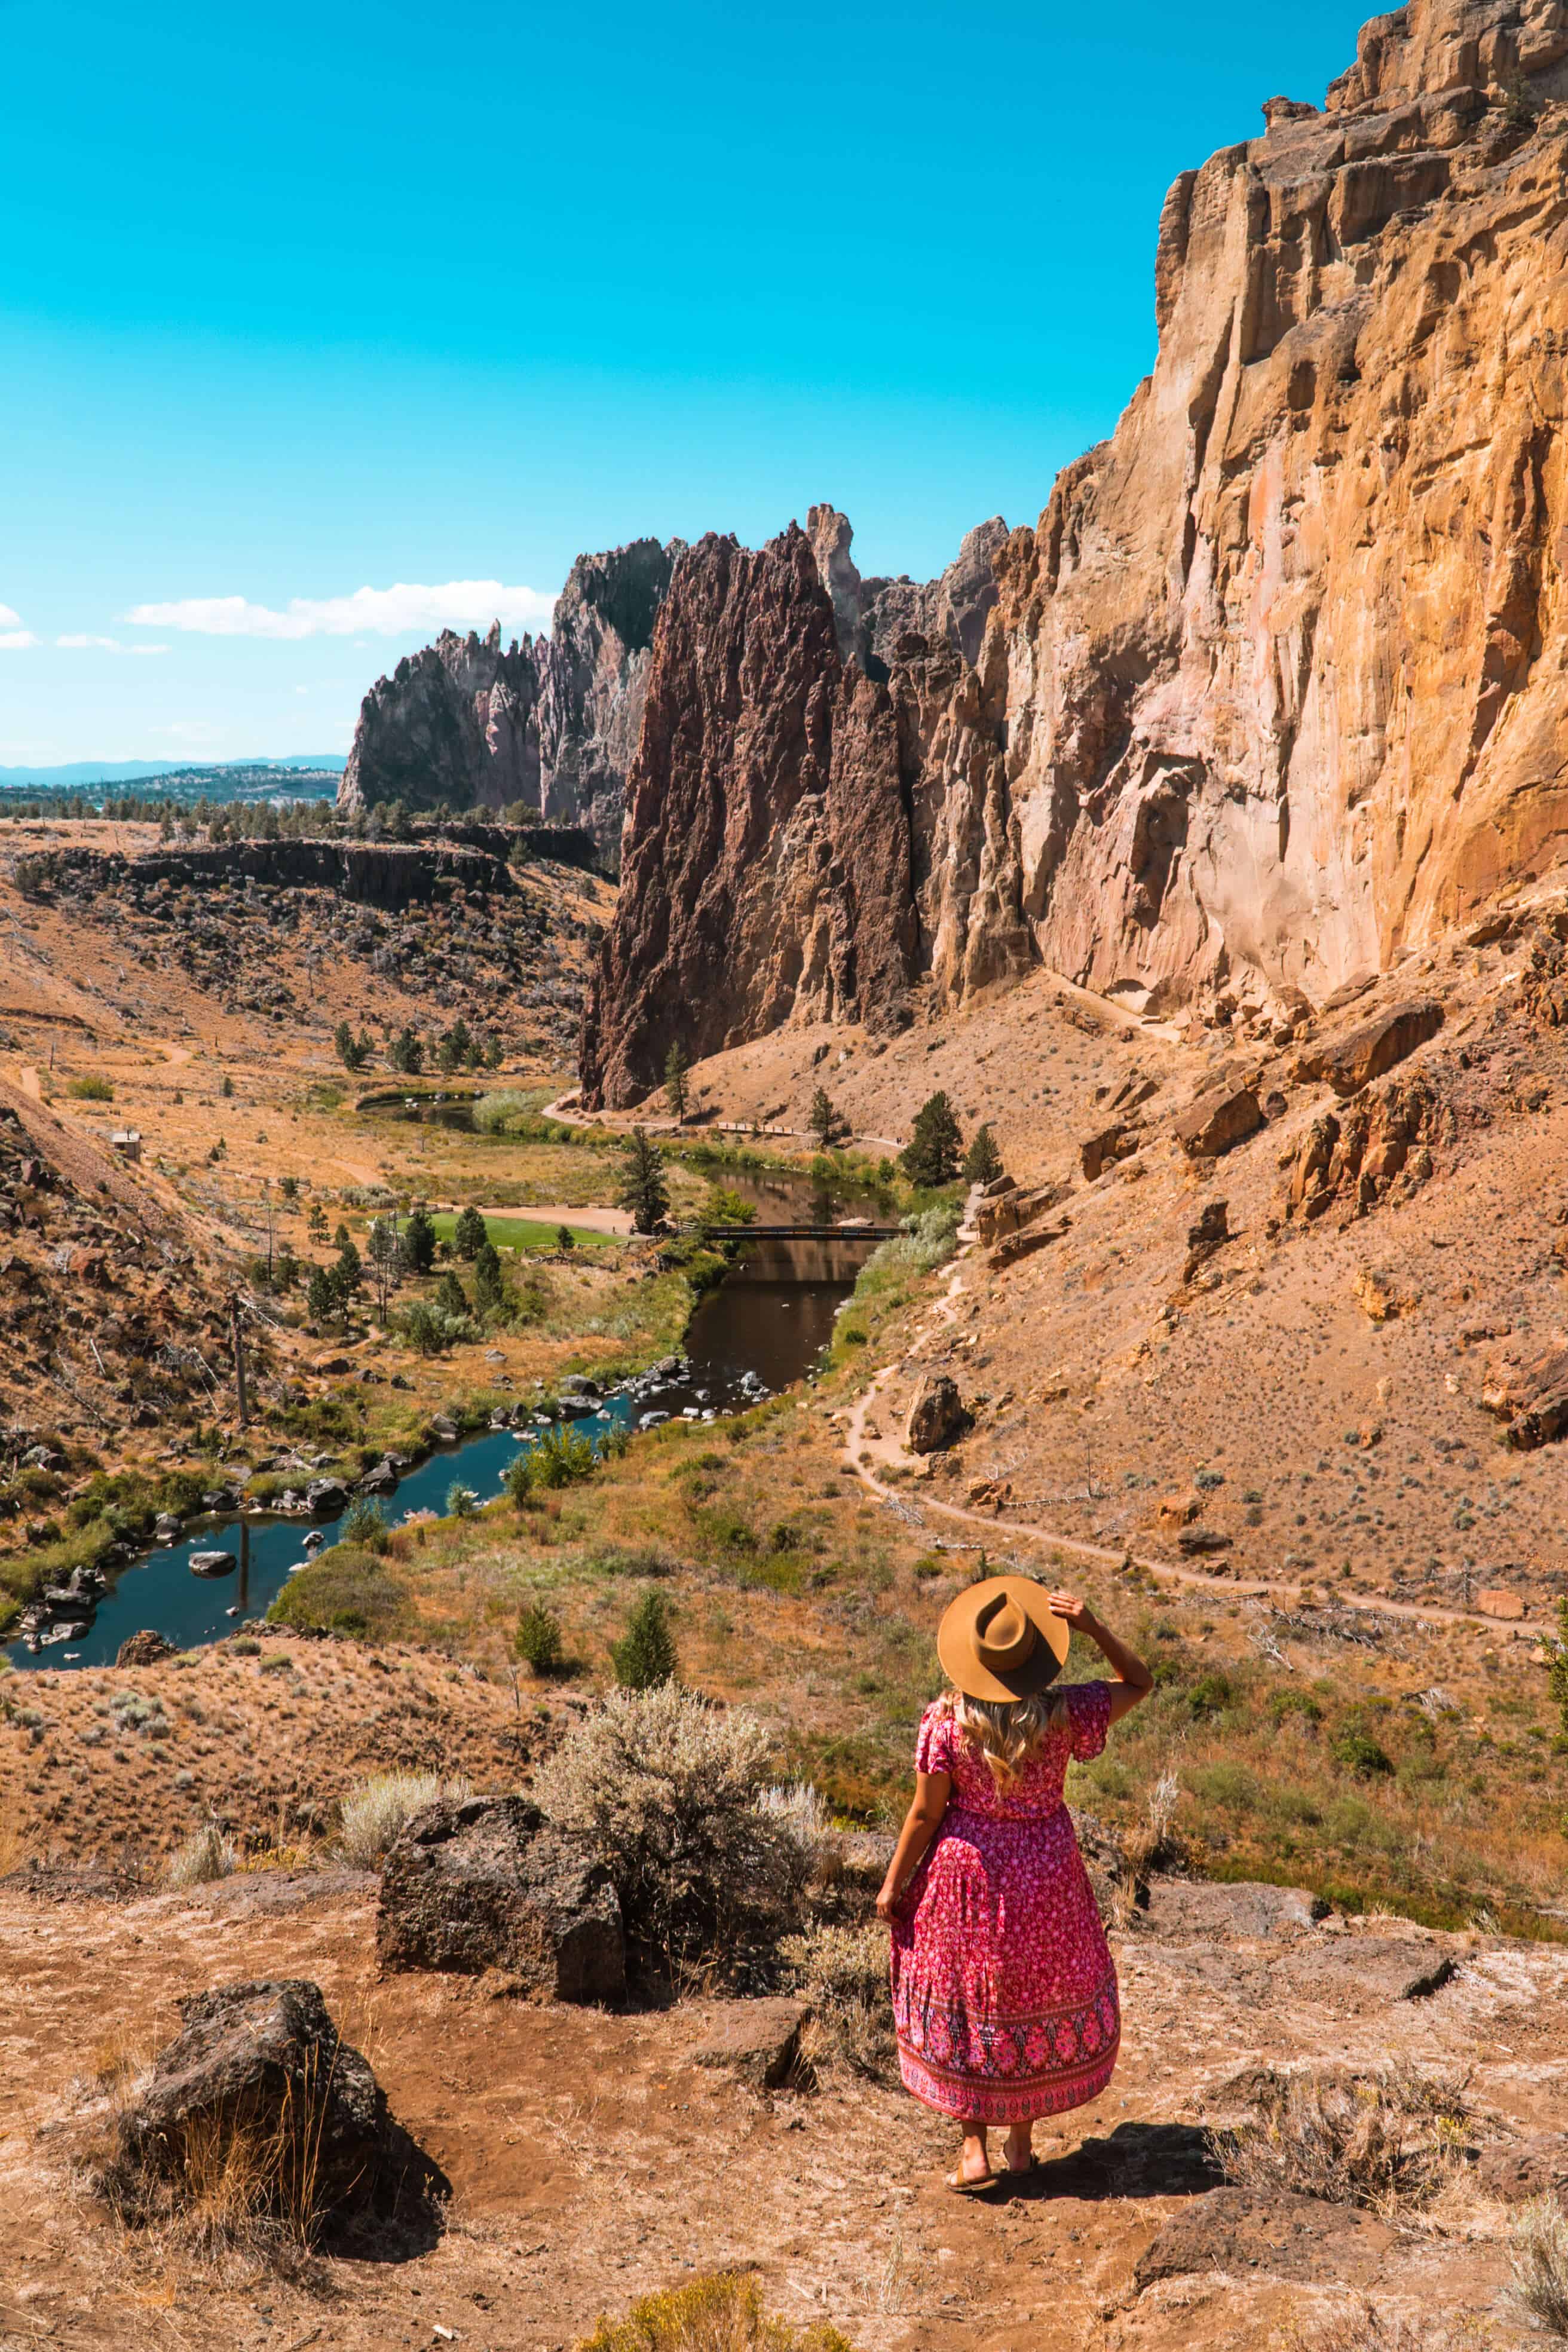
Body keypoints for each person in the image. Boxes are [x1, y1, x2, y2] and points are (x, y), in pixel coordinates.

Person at [876, 1577, 1153, 2195]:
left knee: (970, 1998)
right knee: (1027, 1994)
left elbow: (924, 1815)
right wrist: (1093, 1626)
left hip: (964, 1875)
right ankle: (1021, 2146)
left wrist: (892, 1884)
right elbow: (1139, 1681)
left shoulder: (945, 1722)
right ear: (1036, 1655)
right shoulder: (1066, 1713)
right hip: (1044, 1871)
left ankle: (973, 2151)